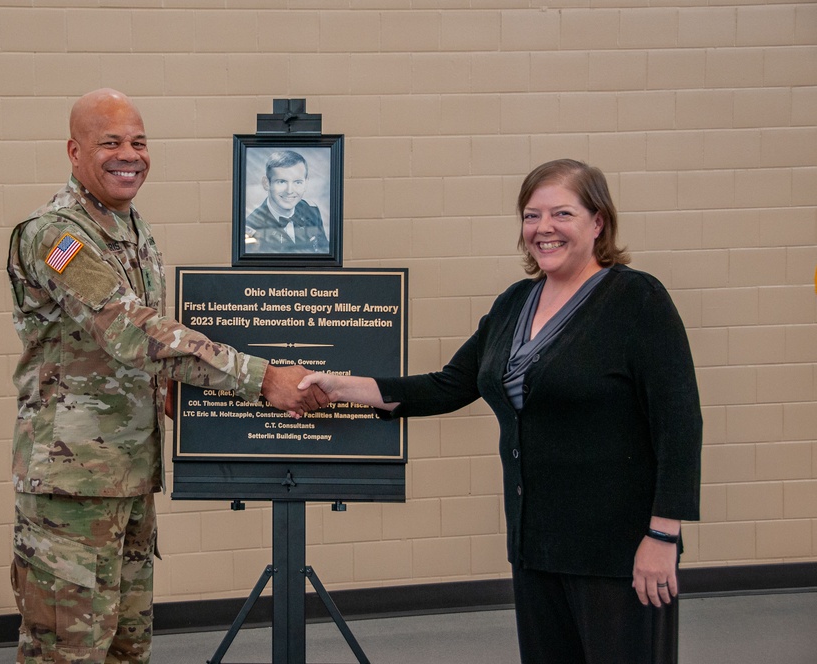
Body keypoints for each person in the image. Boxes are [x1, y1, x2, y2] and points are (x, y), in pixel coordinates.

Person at [300, 159, 702, 664]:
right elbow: (450, 385)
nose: (544, 229)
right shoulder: (516, 302)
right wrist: (342, 387)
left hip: (617, 551)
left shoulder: (637, 299)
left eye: (562, 214)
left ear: (598, 222)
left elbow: (680, 422)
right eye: (531, 216)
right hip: (536, 546)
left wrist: (663, 535)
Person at [6, 88, 327, 664]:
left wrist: (172, 389)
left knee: (128, 649)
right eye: (110, 142)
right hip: (73, 491)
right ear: (74, 152)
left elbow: (130, 352)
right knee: (68, 651)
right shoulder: (57, 238)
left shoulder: (130, 228)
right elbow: (132, 332)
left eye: (139, 141)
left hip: (129, 478)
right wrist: (263, 377)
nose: (129, 154)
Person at [244, 150, 329, 253]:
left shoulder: (311, 211)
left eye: (297, 182)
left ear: (305, 184)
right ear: (266, 183)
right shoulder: (252, 225)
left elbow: (324, 252)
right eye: (281, 181)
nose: (289, 191)